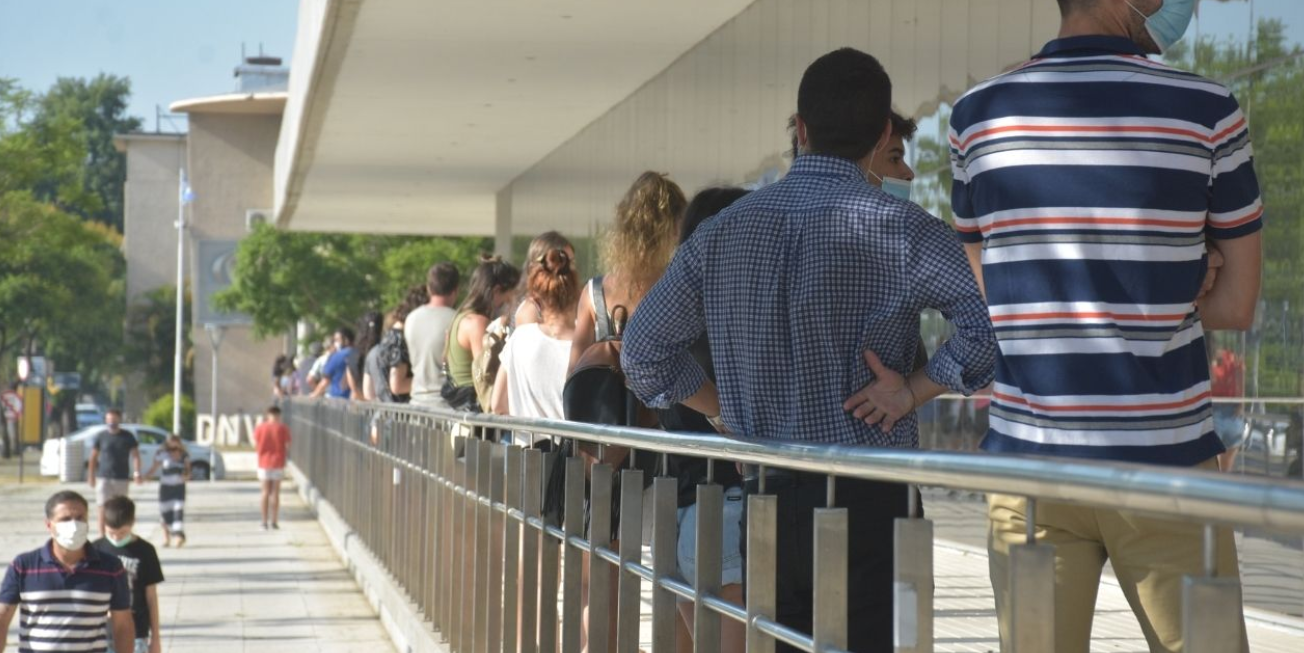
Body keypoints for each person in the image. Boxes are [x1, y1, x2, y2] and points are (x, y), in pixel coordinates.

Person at [623, 48, 997, 653]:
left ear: (801, 128)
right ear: (882, 134)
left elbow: (642, 353)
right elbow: (989, 330)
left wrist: (722, 411)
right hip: (874, 495)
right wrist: (915, 390)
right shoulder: (904, 229)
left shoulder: (721, 233)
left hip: (769, 498)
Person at [948, 1, 1261, 651]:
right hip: (1165, 466)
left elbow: (994, 294)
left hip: (1028, 470)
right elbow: (1234, 305)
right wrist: (1171, 279)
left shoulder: (976, 116)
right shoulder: (1208, 109)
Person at [656, 187, 750, 653]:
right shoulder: (739, 319)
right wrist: (724, 413)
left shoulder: (676, 318)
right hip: (725, 507)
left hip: (680, 508)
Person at [0, 490, 133, 653]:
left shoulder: (111, 568)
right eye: (65, 519)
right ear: (49, 525)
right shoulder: (23, 566)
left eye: (80, 518)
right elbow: (2, 619)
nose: (74, 525)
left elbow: (123, 625)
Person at [490, 235, 580, 442]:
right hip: (572, 464)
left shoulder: (520, 338)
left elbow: (498, 405)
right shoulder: (587, 345)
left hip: (525, 458)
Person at [445, 256, 520, 411]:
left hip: (463, 409)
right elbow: (487, 373)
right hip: (476, 411)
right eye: (511, 297)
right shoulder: (477, 323)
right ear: (497, 291)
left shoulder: (460, 317)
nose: (513, 304)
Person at [93, 497, 164, 653]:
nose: (117, 537)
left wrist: (156, 639)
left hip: (137, 632)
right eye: (111, 533)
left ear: (133, 523)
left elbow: (151, 596)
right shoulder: (95, 550)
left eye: (122, 532)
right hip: (102, 633)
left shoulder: (145, 551)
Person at [406, 262, 461, 408]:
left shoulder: (411, 318)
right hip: (446, 408)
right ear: (456, 290)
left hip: (416, 406)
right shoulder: (458, 321)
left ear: (429, 289)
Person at [88, 409, 144, 537]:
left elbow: (135, 455)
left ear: (119, 419)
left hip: (121, 478)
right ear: (106, 420)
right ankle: (102, 536)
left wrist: (137, 473)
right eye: (109, 420)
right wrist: (91, 476)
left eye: (114, 419)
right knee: (102, 506)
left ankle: (121, 533)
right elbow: (93, 458)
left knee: (120, 507)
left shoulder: (128, 436)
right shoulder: (101, 436)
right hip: (103, 478)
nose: (112, 422)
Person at [143, 434, 190, 547]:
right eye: (171, 446)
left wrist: (185, 475)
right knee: (165, 513)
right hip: (165, 487)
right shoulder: (163, 454)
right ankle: (167, 538)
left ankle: (178, 537)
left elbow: (188, 471)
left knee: (178, 511)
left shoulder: (184, 456)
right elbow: (154, 467)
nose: (173, 449)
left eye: (176, 446)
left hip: (178, 488)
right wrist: (146, 477)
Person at [253, 406, 292, 530]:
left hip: (263, 462)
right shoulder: (282, 428)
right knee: (275, 492)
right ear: (279, 415)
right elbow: (288, 444)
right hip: (278, 462)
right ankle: (274, 521)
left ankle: (264, 522)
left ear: (267, 415)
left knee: (264, 492)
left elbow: (256, 443)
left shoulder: (260, 428)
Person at [346, 311, 384, 401]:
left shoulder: (353, 353)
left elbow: (351, 381)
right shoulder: (382, 351)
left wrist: (360, 396)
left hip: (359, 404)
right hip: (381, 404)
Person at [312, 328, 355, 399]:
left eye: (337, 340)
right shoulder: (360, 353)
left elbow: (326, 379)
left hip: (338, 398)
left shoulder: (338, 356)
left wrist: (315, 394)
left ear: (346, 340)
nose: (335, 343)